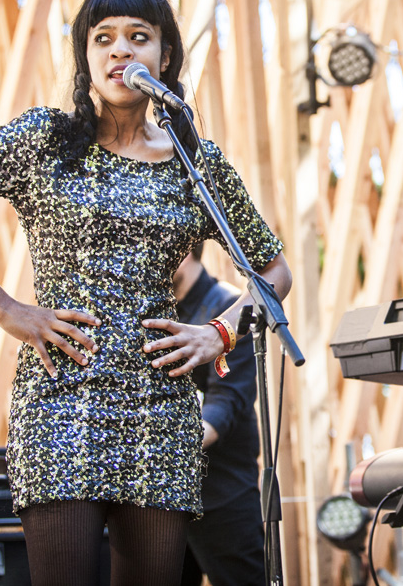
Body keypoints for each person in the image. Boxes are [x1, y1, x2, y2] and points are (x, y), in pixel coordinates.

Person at [0, 0, 291, 586]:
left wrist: (220, 332)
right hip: (62, 396)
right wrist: (5, 308)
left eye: (138, 36)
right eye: (103, 38)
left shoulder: (197, 163)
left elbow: (273, 269)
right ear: (86, 58)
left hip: (160, 407)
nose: (119, 49)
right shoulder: (43, 139)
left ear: (165, 57)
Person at [174, 245, 265, 586]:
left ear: (184, 248)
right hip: (164, 496)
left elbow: (224, 404)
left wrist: (169, 447)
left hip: (223, 493)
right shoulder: (152, 311)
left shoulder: (228, 308)